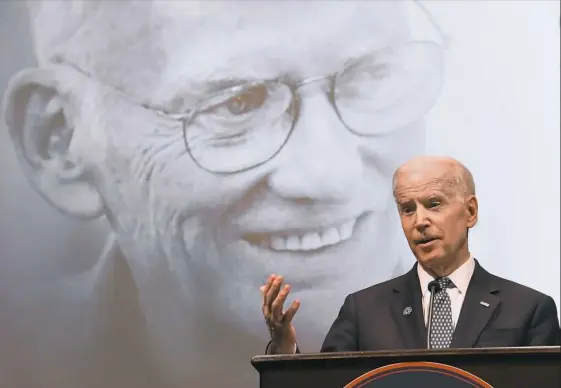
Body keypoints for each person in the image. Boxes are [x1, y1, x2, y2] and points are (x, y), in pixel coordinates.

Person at [1, 1, 445, 387]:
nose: (332, 177)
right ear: (58, 141)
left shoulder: (502, 337)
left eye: (372, 73)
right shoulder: (17, 358)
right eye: (239, 103)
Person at [261, 156, 560, 354]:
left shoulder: (529, 310)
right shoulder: (363, 311)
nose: (419, 222)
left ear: (470, 212)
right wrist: (285, 345)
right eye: (407, 209)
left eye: (433, 204)